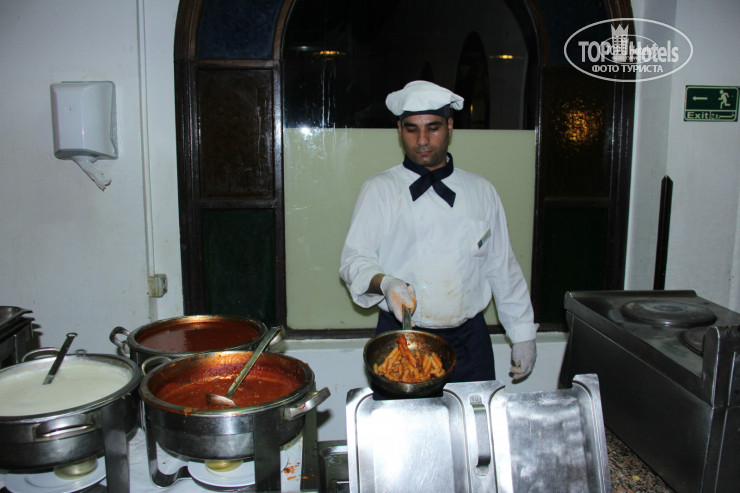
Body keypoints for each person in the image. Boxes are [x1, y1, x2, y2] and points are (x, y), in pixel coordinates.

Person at [339, 80, 538, 382]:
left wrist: (522, 333)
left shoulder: (481, 190)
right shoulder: (380, 189)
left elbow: (502, 266)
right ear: (399, 130)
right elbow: (354, 262)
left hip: (471, 342)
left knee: (474, 414)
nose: (422, 140)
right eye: (411, 129)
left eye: (433, 128)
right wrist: (386, 283)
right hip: (402, 339)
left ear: (450, 127)